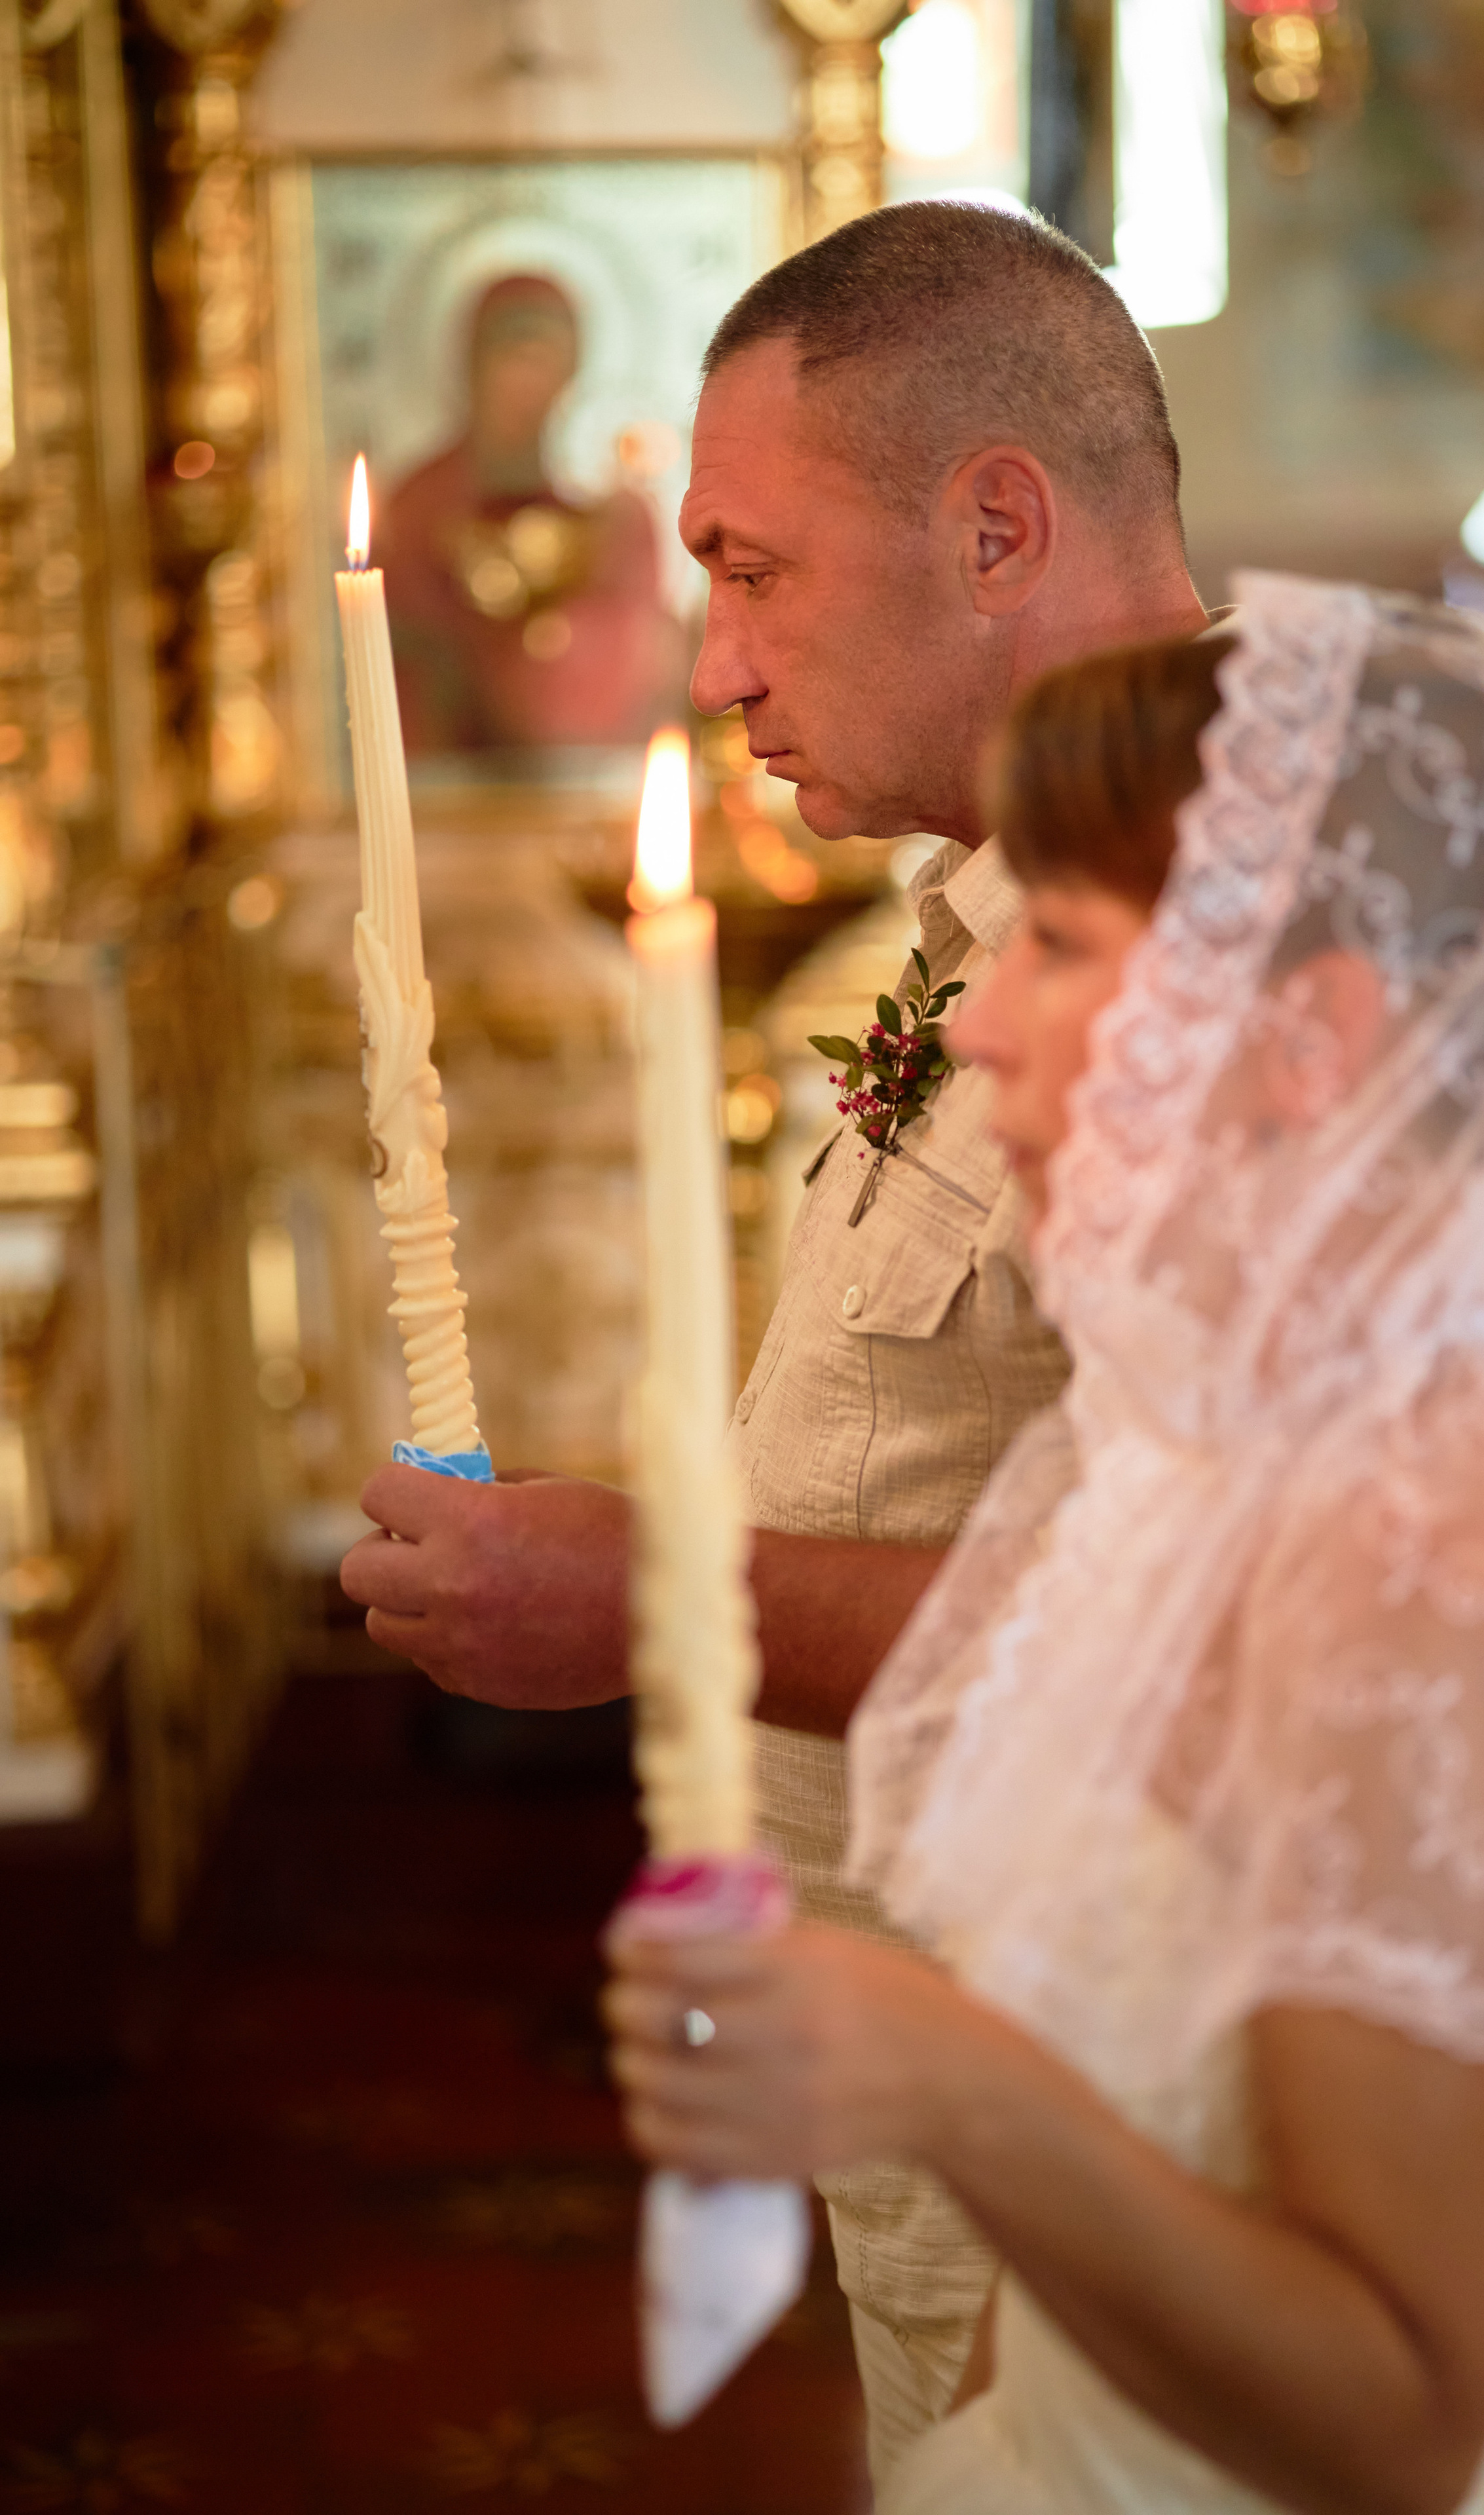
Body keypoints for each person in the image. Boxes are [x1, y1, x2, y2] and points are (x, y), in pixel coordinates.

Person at [604, 582, 1484, 2515]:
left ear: (1306, 1034)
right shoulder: (1226, 1446)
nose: (977, 1022)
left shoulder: (1454, 1557)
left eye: (1064, 944)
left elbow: (1401, 2423)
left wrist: (935, 2072)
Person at [341, 200, 1213, 2471]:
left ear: (995, 528)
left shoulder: (1219, 938)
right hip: (955, 2084)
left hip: (1130, 2125)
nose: (715, 661)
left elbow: (1235, 1635)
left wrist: (666, 1598)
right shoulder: (1013, 892)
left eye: (752, 570)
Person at [380, 272, 678, 753]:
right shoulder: (421, 502)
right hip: (459, 768)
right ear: (473, 368)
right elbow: (399, 659)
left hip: (595, 770)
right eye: (511, 360)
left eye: (545, 362)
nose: (528, 386)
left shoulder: (619, 509)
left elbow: (650, 652)